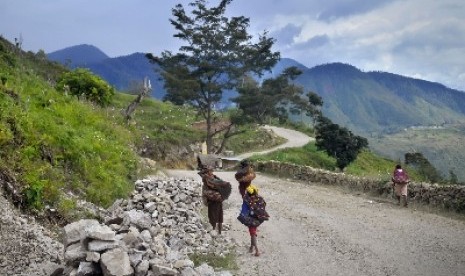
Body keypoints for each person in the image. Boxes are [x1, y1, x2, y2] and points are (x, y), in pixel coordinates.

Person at [237, 184, 269, 256]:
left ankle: (257, 250)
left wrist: (242, 216)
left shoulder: (247, 199)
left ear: (248, 193)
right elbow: (263, 207)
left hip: (251, 219)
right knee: (253, 232)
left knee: (252, 233)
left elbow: (244, 210)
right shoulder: (260, 198)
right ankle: (251, 247)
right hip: (260, 218)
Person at [198, 166, 231, 234]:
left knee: (219, 214)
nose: (212, 172)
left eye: (211, 170)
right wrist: (225, 184)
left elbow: (218, 182)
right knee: (213, 215)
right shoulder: (207, 177)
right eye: (210, 171)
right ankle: (213, 231)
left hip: (217, 198)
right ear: (206, 172)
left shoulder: (212, 176)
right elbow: (214, 183)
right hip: (212, 199)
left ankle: (219, 232)